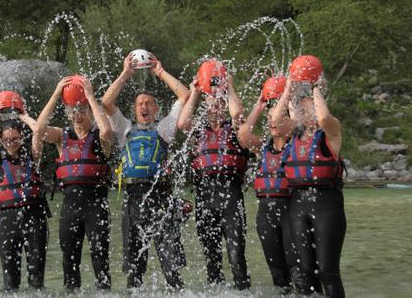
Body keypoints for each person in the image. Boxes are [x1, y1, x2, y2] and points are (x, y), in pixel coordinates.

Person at [101, 52, 189, 290]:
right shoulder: (124, 129)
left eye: (149, 103)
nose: (144, 106)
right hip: (133, 202)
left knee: (171, 269)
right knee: (134, 273)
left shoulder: (164, 129)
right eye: (140, 103)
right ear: (134, 108)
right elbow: (106, 102)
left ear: (156, 108)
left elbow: (184, 95)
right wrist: (126, 74)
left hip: (161, 200)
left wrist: (159, 72)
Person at [271, 55, 346, 297]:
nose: (305, 108)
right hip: (298, 204)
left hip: (327, 205)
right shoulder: (293, 134)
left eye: (309, 105)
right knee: (306, 271)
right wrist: (290, 86)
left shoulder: (331, 132)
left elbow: (323, 118)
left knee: (327, 271)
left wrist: (314, 87)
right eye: (301, 105)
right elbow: (274, 119)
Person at [33, 75, 113, 292]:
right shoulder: (61, 137)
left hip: (96, 207)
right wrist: (56, 94)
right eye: (72, 111)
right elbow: (39, 131)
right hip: (70, 208)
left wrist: (89, 96)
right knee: (69, 261)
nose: (77, 115)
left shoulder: (100, 137)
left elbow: (107, 131)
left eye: (81, 110)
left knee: (100, 258)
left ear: (89, 110)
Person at [177, 59, 251, 290]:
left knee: (236, 255)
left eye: (219, 101)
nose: (215, 105)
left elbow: (238, 113)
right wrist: (196, 92)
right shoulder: (199, 130)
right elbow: (182, 123)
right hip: (205, 196)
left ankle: (243, 292)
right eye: (212, 101)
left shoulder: (236, 129)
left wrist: (228, 88)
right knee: (212, 258)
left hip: (231, 195)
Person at [0, 91, 49, 292]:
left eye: (15, 139)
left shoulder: (33, 156)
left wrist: (23, 116)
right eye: (6, 140)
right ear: (0, 140)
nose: (11, 143)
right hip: (8, 221)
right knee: (10, 281)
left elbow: (39, 131)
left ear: (21, 137)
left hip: (35, 219)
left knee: (36, 280)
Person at [237, 75, 297, 293]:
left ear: (290, 120)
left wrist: (288, 94)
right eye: (270, 118)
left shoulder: (298, 141)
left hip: (291, 210)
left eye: (278, 118)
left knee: (296, 267)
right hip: (266, 213)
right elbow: (243, 135)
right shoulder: (263, 146)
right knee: (277, 271)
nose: (273, 122)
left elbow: (286, 116)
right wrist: (261, 104)